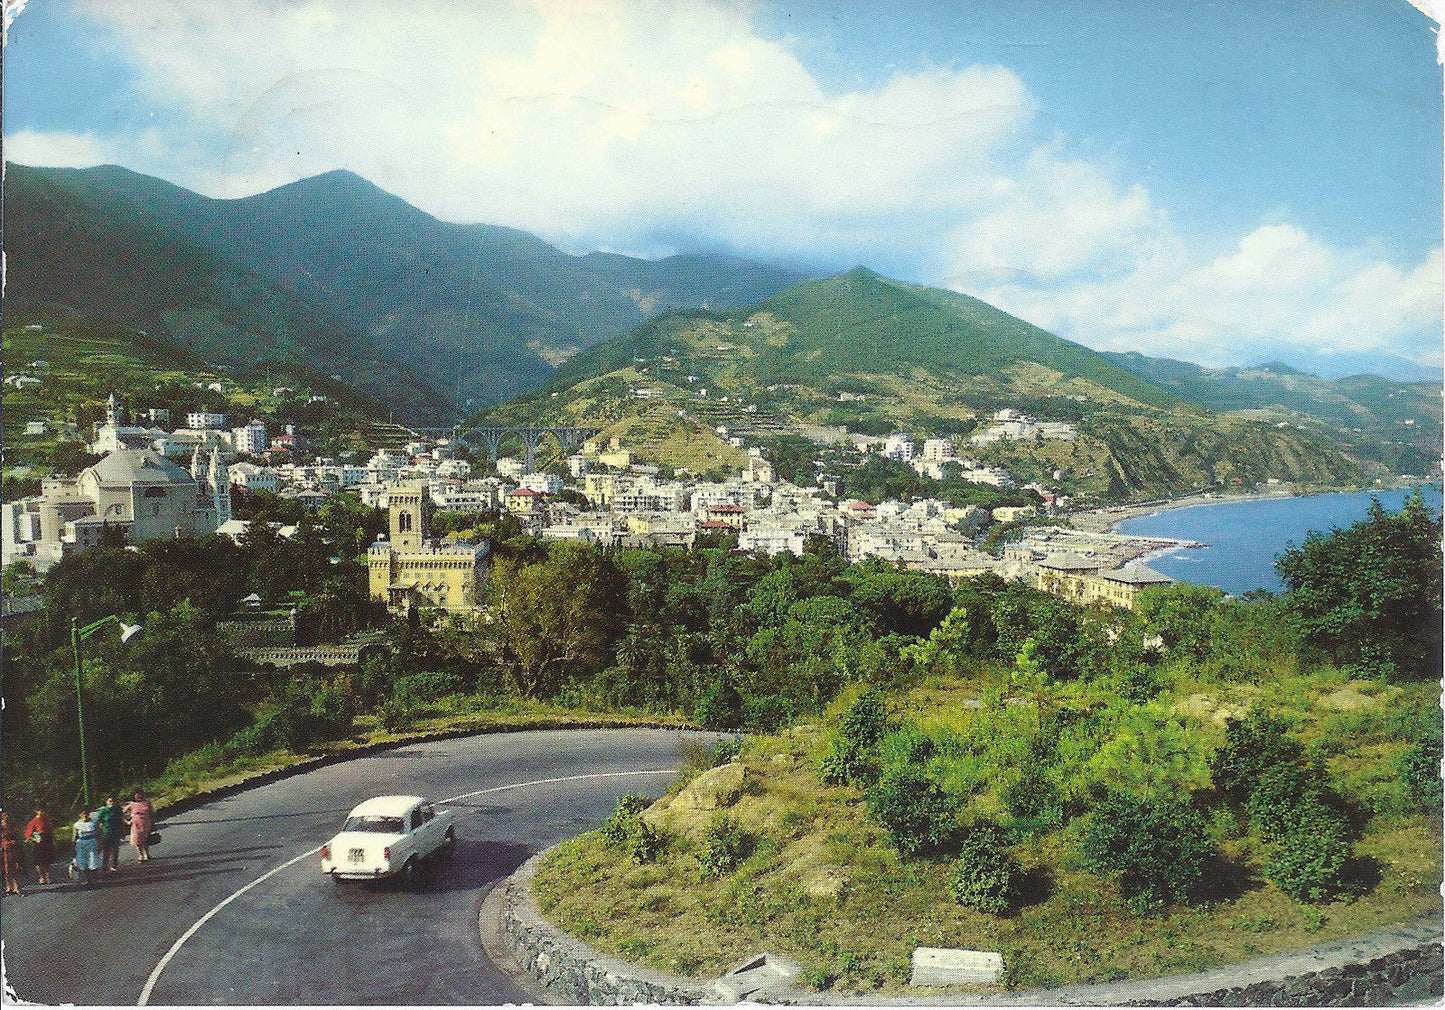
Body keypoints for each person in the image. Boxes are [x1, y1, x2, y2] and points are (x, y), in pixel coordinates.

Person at [25, 807, 55, 885]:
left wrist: (54, 839)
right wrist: (35, 840)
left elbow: (51, 830)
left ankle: (48, 876)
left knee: (47, 860)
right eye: (40, 811)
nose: (42, 812)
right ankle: (41, 876)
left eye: (43, 810)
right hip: (38, 843)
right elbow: (28, 835)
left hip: (47, 840)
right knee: (38, 861)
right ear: (36, 811)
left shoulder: (46, 819)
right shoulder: (33, 821)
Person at [72, 808, 101, 885]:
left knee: (93, 859)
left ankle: (94, 878)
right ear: (79, 815)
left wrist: (100, 844)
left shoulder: (94, 822)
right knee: (82, 860)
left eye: (86, 813)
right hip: (81, 843)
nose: (85, 815)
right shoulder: (77, 825)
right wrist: (73, 846)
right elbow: (75, 836)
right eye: (83, 813)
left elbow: (98, 833)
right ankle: (85, 878)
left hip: (92, 841)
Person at [125, 790, 154, 862]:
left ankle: (146, 854)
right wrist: (127, 821)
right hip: (135, 825)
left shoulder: (147, 803)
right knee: (137, 840)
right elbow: (121, 813)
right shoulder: (131, 804)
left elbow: (152, 813)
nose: (139, 797)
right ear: (134, 796)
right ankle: (140, 855)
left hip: (146, 823)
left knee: (145, 840)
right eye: (137, 795)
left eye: (140, 795)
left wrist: (153, 822)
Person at [95, 795, 123, 871]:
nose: (112, 803)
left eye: (113, 801)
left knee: (115, 849)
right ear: (106, 802)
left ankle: (114, 865)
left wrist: (122, 831)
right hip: (106, 831)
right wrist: (98, 831)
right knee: (106, 849)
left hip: (116, 831)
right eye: (110, 801)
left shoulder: (118, 809)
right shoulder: (103, 810)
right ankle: (105, 865)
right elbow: (98, 821)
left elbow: (121, 819)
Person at [2, 812, 23, 895]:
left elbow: (16, 836)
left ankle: (16, 886)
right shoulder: (2, 826)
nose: (6, 817)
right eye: (4, 815)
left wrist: (15, 842)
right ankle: (8, 886)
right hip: (3, 849)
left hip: (12, 848)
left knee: (14, 867)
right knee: (5, 869)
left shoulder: (12, 825)